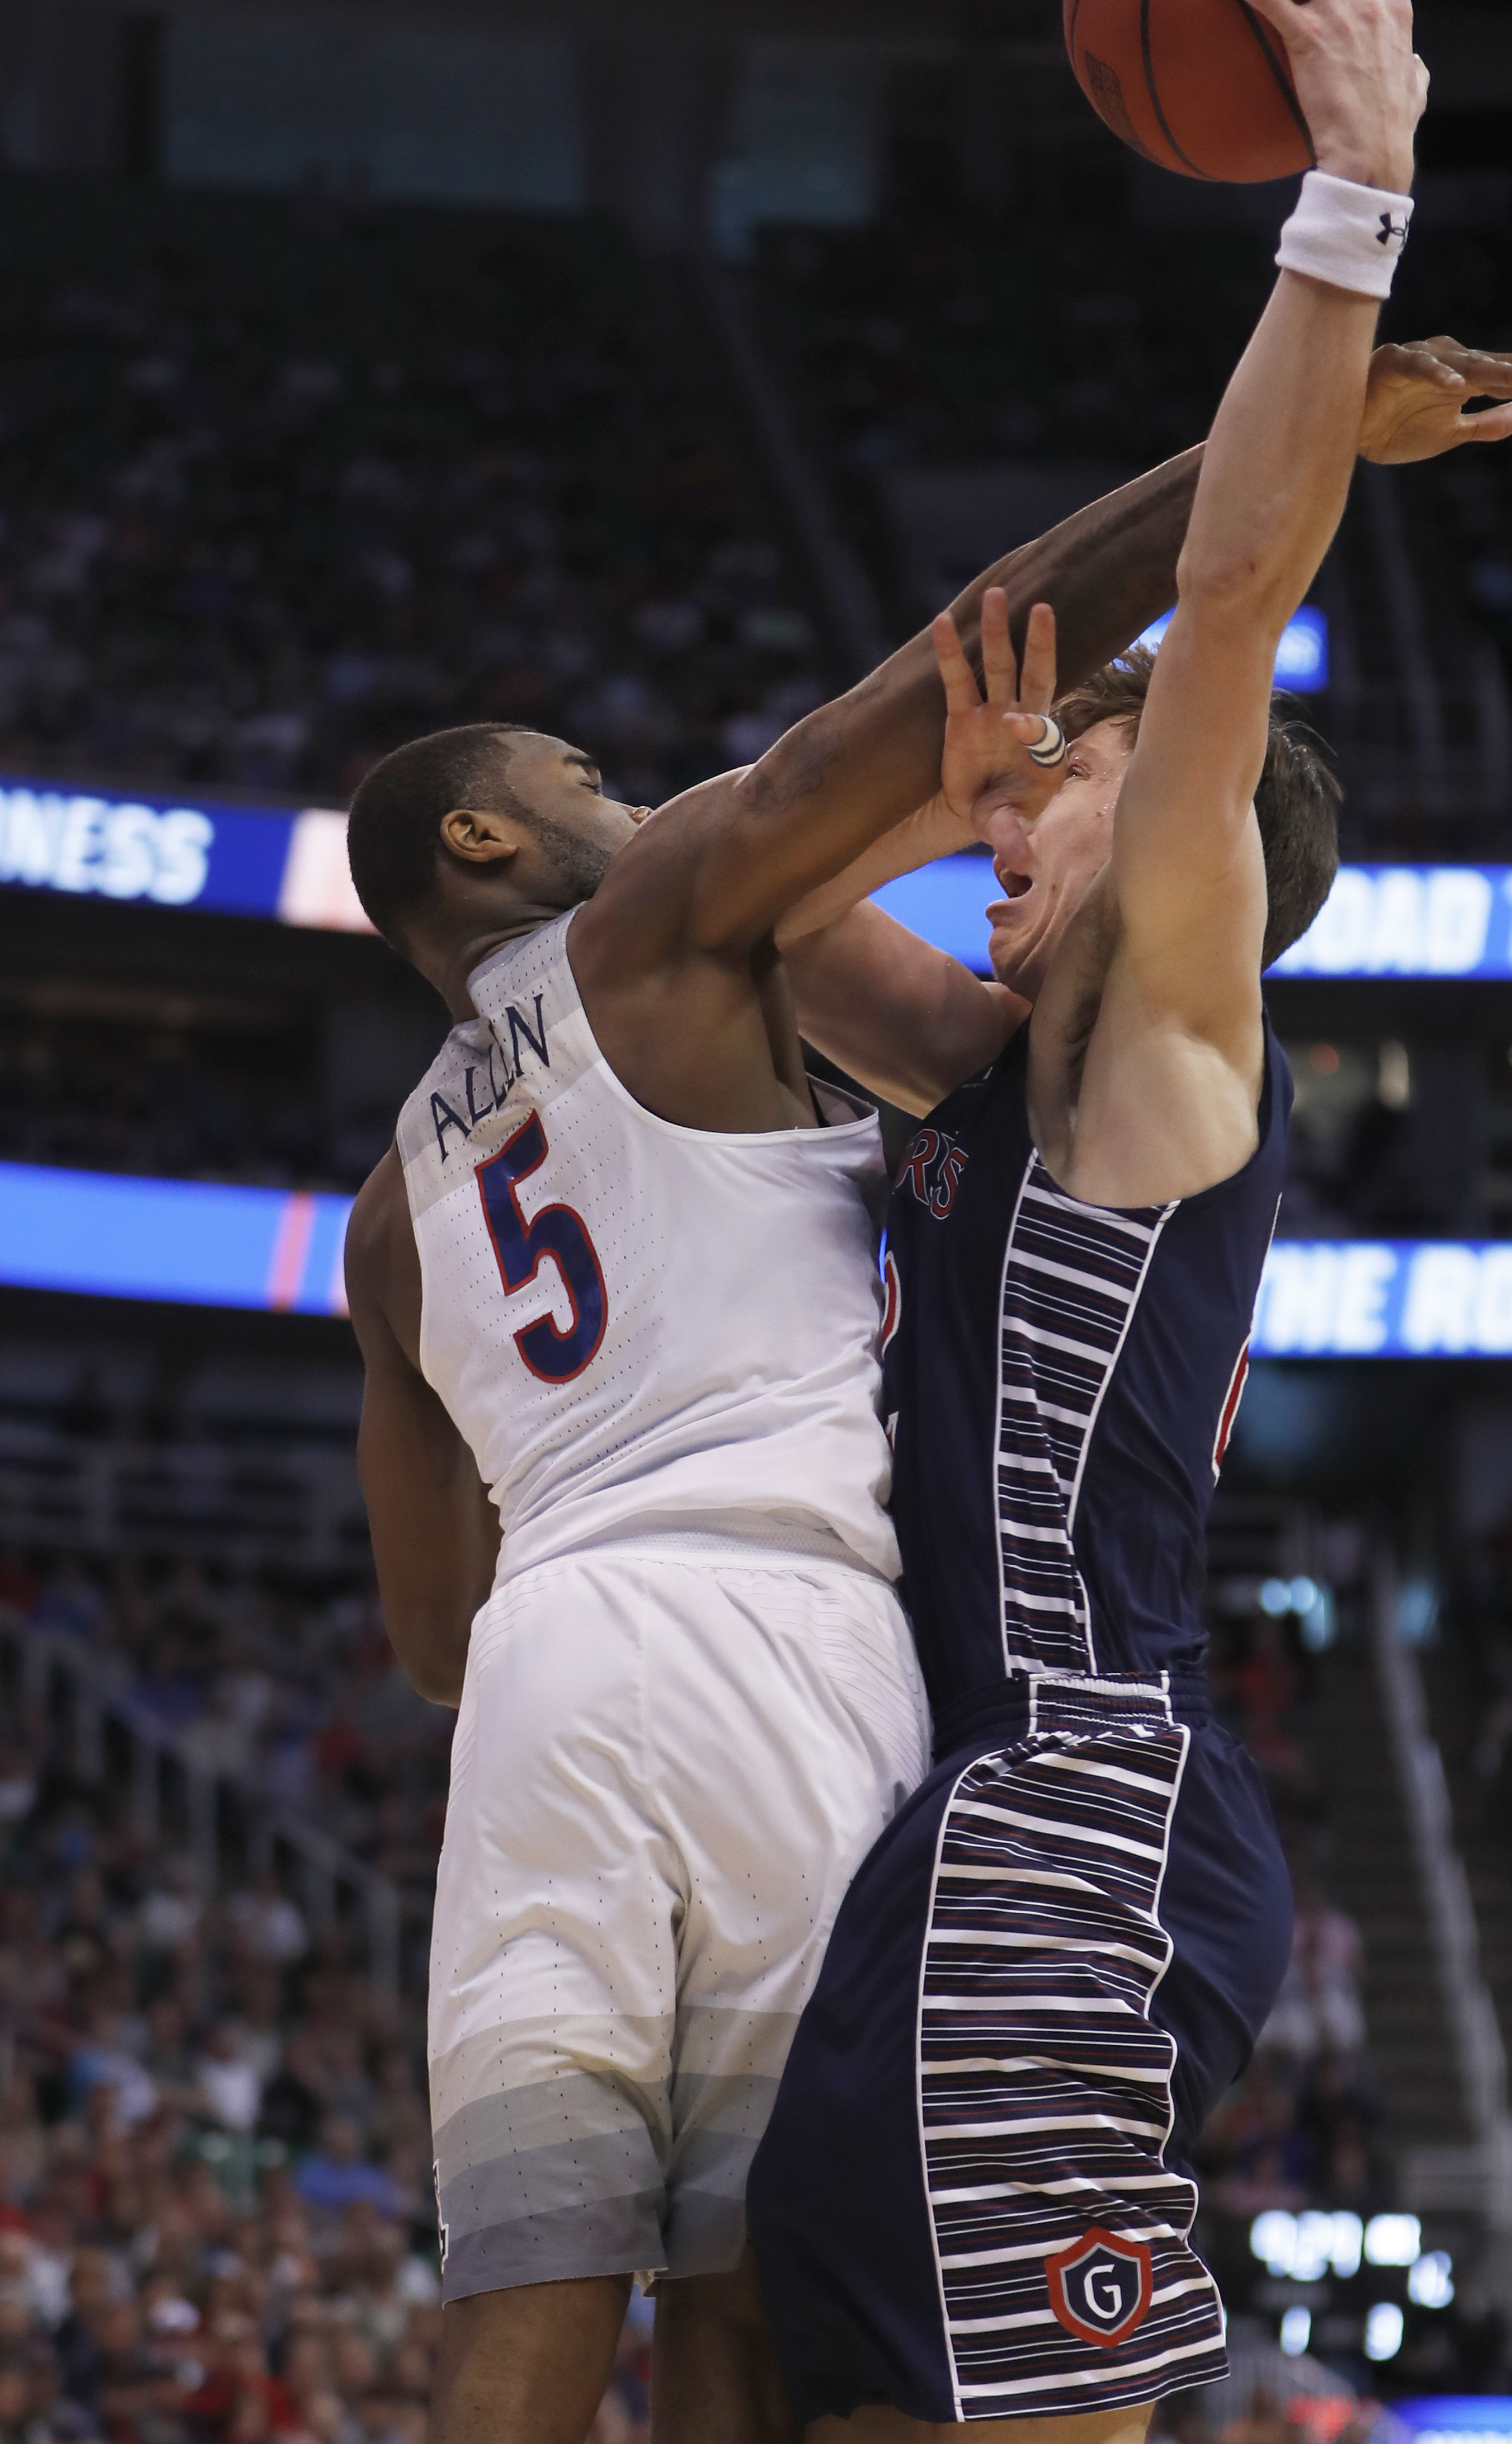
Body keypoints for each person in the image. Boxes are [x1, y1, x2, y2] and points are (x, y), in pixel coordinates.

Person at [746, 0, 1512, 2441]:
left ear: (1202, 847)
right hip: (981, 1822)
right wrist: (953, 780)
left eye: (1072, 786)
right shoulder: (1002, 1070)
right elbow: (743, 909)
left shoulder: (1166, 1051)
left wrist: (1353, 192)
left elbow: (1230, 604)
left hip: (1072, 1819)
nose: (1012, 827)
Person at [341, 413, 1263, 2444]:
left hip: (541, 1670)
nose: (627, 794)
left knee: (525, 2280)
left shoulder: (385, 1217)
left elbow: (427, 1637)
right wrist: (1257, 466)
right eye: (580, 778)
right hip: (778, 1629)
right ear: (483, 840)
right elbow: (938, 672)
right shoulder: (654, 925)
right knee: (748, 2290)